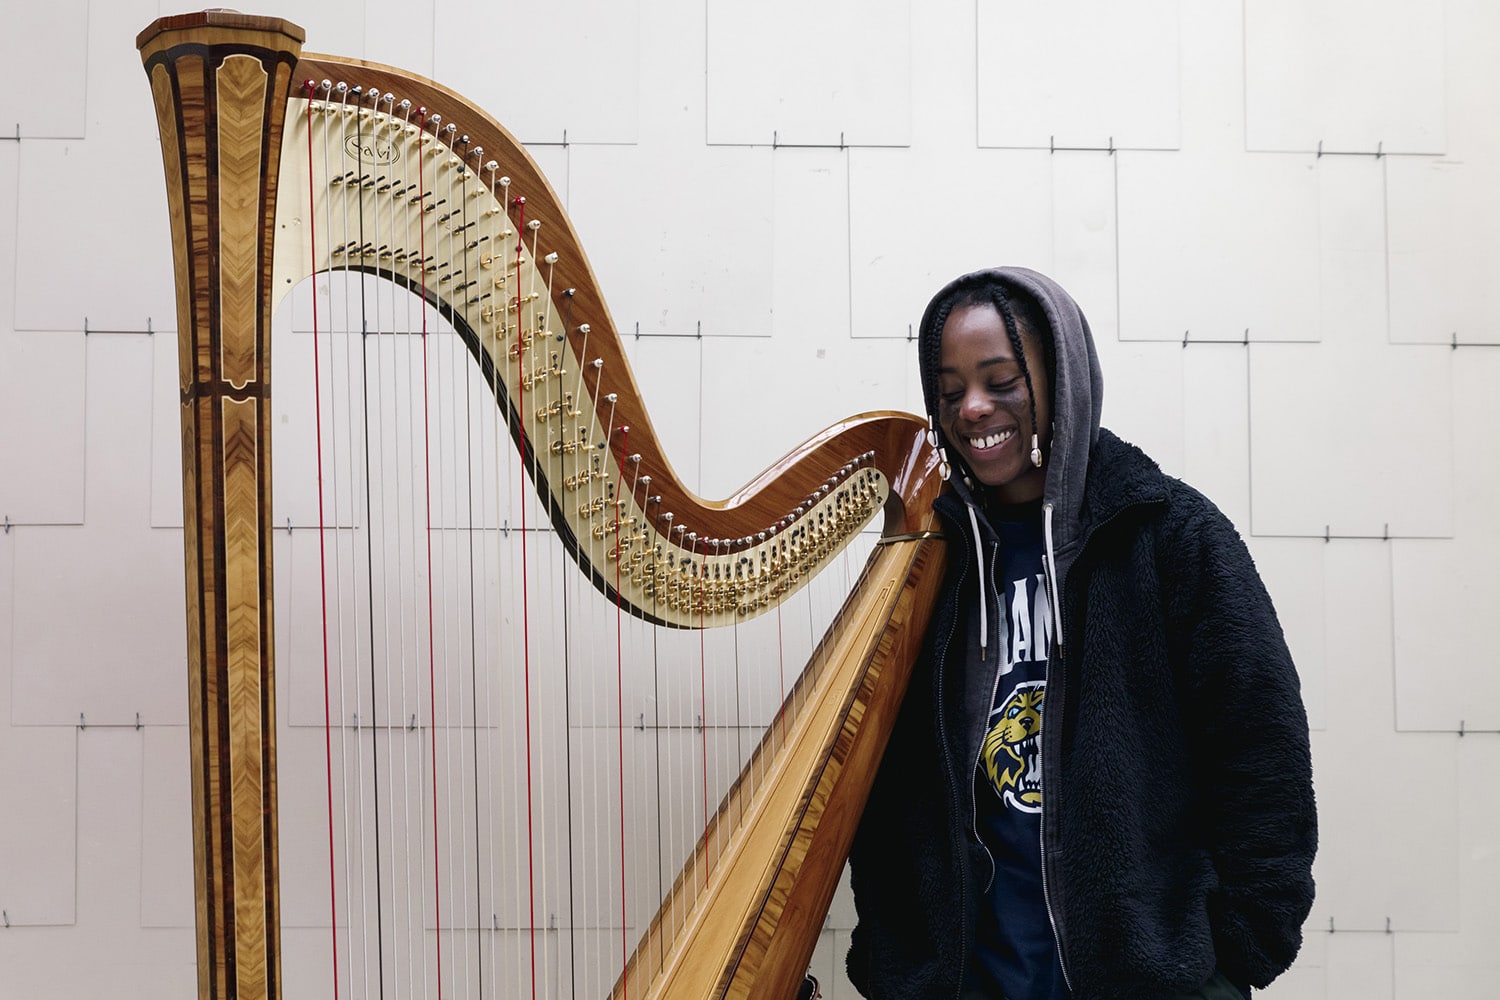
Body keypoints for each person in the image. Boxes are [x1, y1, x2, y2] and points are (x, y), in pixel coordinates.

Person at [846, 267, 1317, 1000]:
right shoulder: (927, 564)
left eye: (1000, 380)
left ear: (1059, 376)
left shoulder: (1170, 537)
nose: (972, 407)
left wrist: (1230, 959)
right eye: (949, 390)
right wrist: (892, 956)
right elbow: (887, 801)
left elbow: (1263, 757)